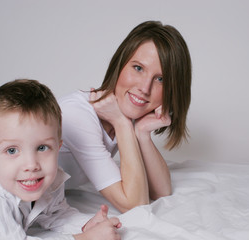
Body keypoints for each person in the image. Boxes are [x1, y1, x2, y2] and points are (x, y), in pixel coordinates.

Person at [0, 79, 121, 240]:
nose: (31, 165)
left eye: (42, 148)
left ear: (57, 148)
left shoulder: (45, 179)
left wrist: (86, 225)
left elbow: (56, 214)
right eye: (12, 150)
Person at [58, 20, 192, 213]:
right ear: (119, 64)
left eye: (160, 79)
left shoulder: (122, 112)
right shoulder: (77, 116)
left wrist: (142, 133)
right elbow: (135, 205)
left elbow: (161, 191)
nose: (144, 88)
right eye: (138, 68)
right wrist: (122, 123)